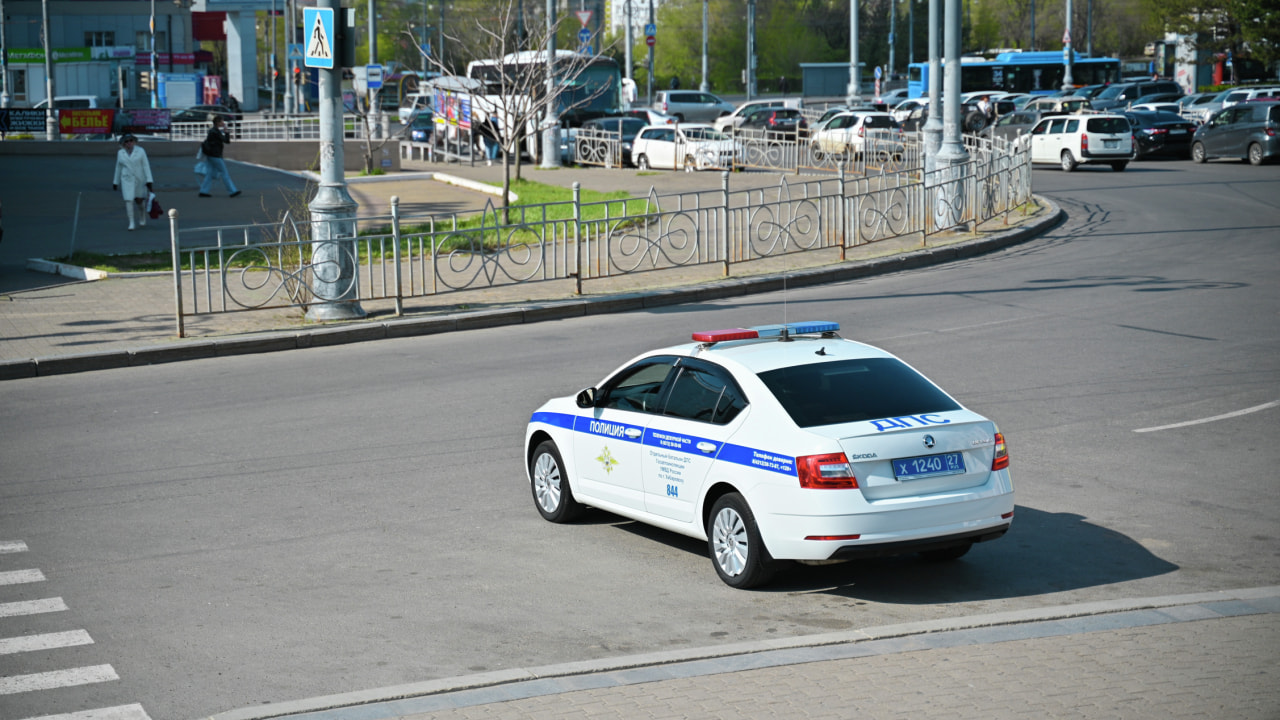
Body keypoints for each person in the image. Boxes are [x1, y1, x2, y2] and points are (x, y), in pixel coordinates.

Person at [112, 134, 153, 230]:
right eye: (126, 141)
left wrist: (149, 180)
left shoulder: (140, 151)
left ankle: (142, 215)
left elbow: (146, 165)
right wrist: (115, 182)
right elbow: (118, 167)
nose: (129, 143)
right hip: (127, 179)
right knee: (128, 200)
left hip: (139, 179)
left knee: (139, 200)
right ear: (123, 143)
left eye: (131, 140)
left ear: (134, 141)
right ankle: (131, 222)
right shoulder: (120, 153)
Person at [199, 115, 241, 198]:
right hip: (215, 155)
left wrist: (225, 132)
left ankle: (203, 191)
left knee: (210, 173)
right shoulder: (215, 132)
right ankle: (232, 191)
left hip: (211, 155)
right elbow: (226, 141)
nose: (223, 122)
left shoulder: (213, 131)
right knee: (224, 173)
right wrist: (226, 132)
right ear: (218, 123)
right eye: (222, 121)